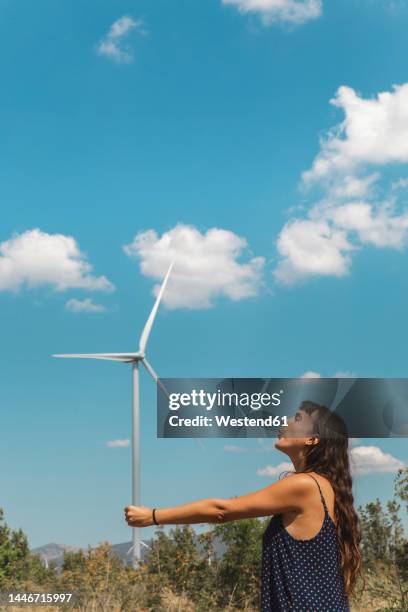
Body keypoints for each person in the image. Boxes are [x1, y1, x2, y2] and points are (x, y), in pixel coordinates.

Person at [124, 399, 362, 611]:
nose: (286, 420)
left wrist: (153, 516)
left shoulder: (304, 486)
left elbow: (221, 510)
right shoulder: (322, 487)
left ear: (312, 438)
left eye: (297, 417)